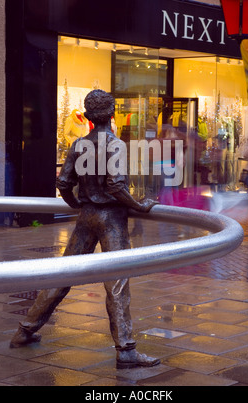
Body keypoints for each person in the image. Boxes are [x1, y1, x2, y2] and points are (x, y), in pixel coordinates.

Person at [10, 89, 160, 370]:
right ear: (112, 113)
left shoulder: (79, 144)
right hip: (111, 219)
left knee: (64, 274)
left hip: (87, 215)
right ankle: (126, 350)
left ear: (89, 116)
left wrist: (79, 205)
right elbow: (116, 186)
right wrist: (139, 206)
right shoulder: (115, 144)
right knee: (117, 283)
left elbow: (64, 184)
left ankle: (25, 330)